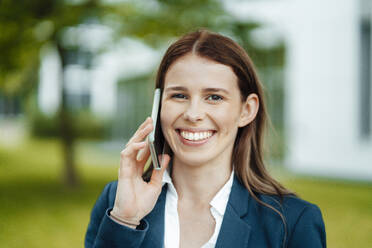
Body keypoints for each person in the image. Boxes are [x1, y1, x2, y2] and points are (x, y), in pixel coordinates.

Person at [85, 29, 326, 248]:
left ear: (247, 110)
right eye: (179, 95)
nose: (192, 114)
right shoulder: (116, 202)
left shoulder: (292, 223)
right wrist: (124, 221)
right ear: (158, 105)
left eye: (214, 97)